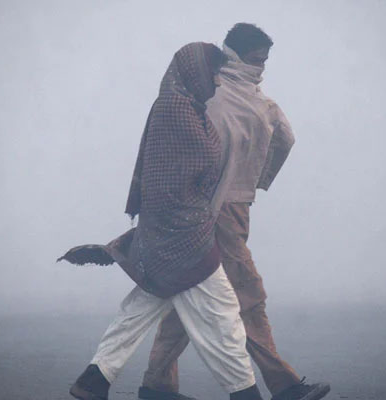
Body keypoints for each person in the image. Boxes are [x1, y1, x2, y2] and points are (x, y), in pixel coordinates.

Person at [59, 42, 265, 400]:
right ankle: (246, 394)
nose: (217, 82)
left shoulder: (185, 107)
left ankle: (93, 381)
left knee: (141, 307)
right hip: (184, 237)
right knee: (223, 315)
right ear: (194, 72)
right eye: (212, 73)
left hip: (165, 234)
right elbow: (184, 174)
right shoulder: (177, 112)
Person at [136, 24, 331, 400]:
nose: (261, 68)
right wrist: (253, 178)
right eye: (257, 60)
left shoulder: (212, 93)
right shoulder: (251, 102)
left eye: (265, 61)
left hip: (208, 208)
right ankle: (284, 385)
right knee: (247, 293)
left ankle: (156, 386)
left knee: (190, 291)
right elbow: (284, 140)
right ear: (239, 56)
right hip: (224, 211)